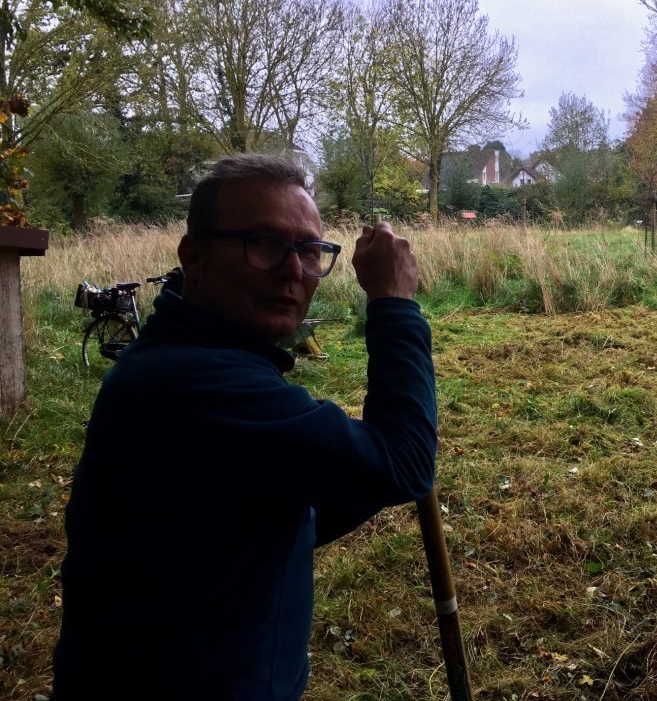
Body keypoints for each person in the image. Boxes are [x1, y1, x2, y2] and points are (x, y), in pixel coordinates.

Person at [52, 154, 437, 700]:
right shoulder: (197, 382)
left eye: (309, 251)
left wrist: (367, 466)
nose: (292, 270)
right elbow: (405, 465)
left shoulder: (188, 364)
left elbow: (257, 519)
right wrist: (394, 303)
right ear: (195, 256)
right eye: (263, 243)